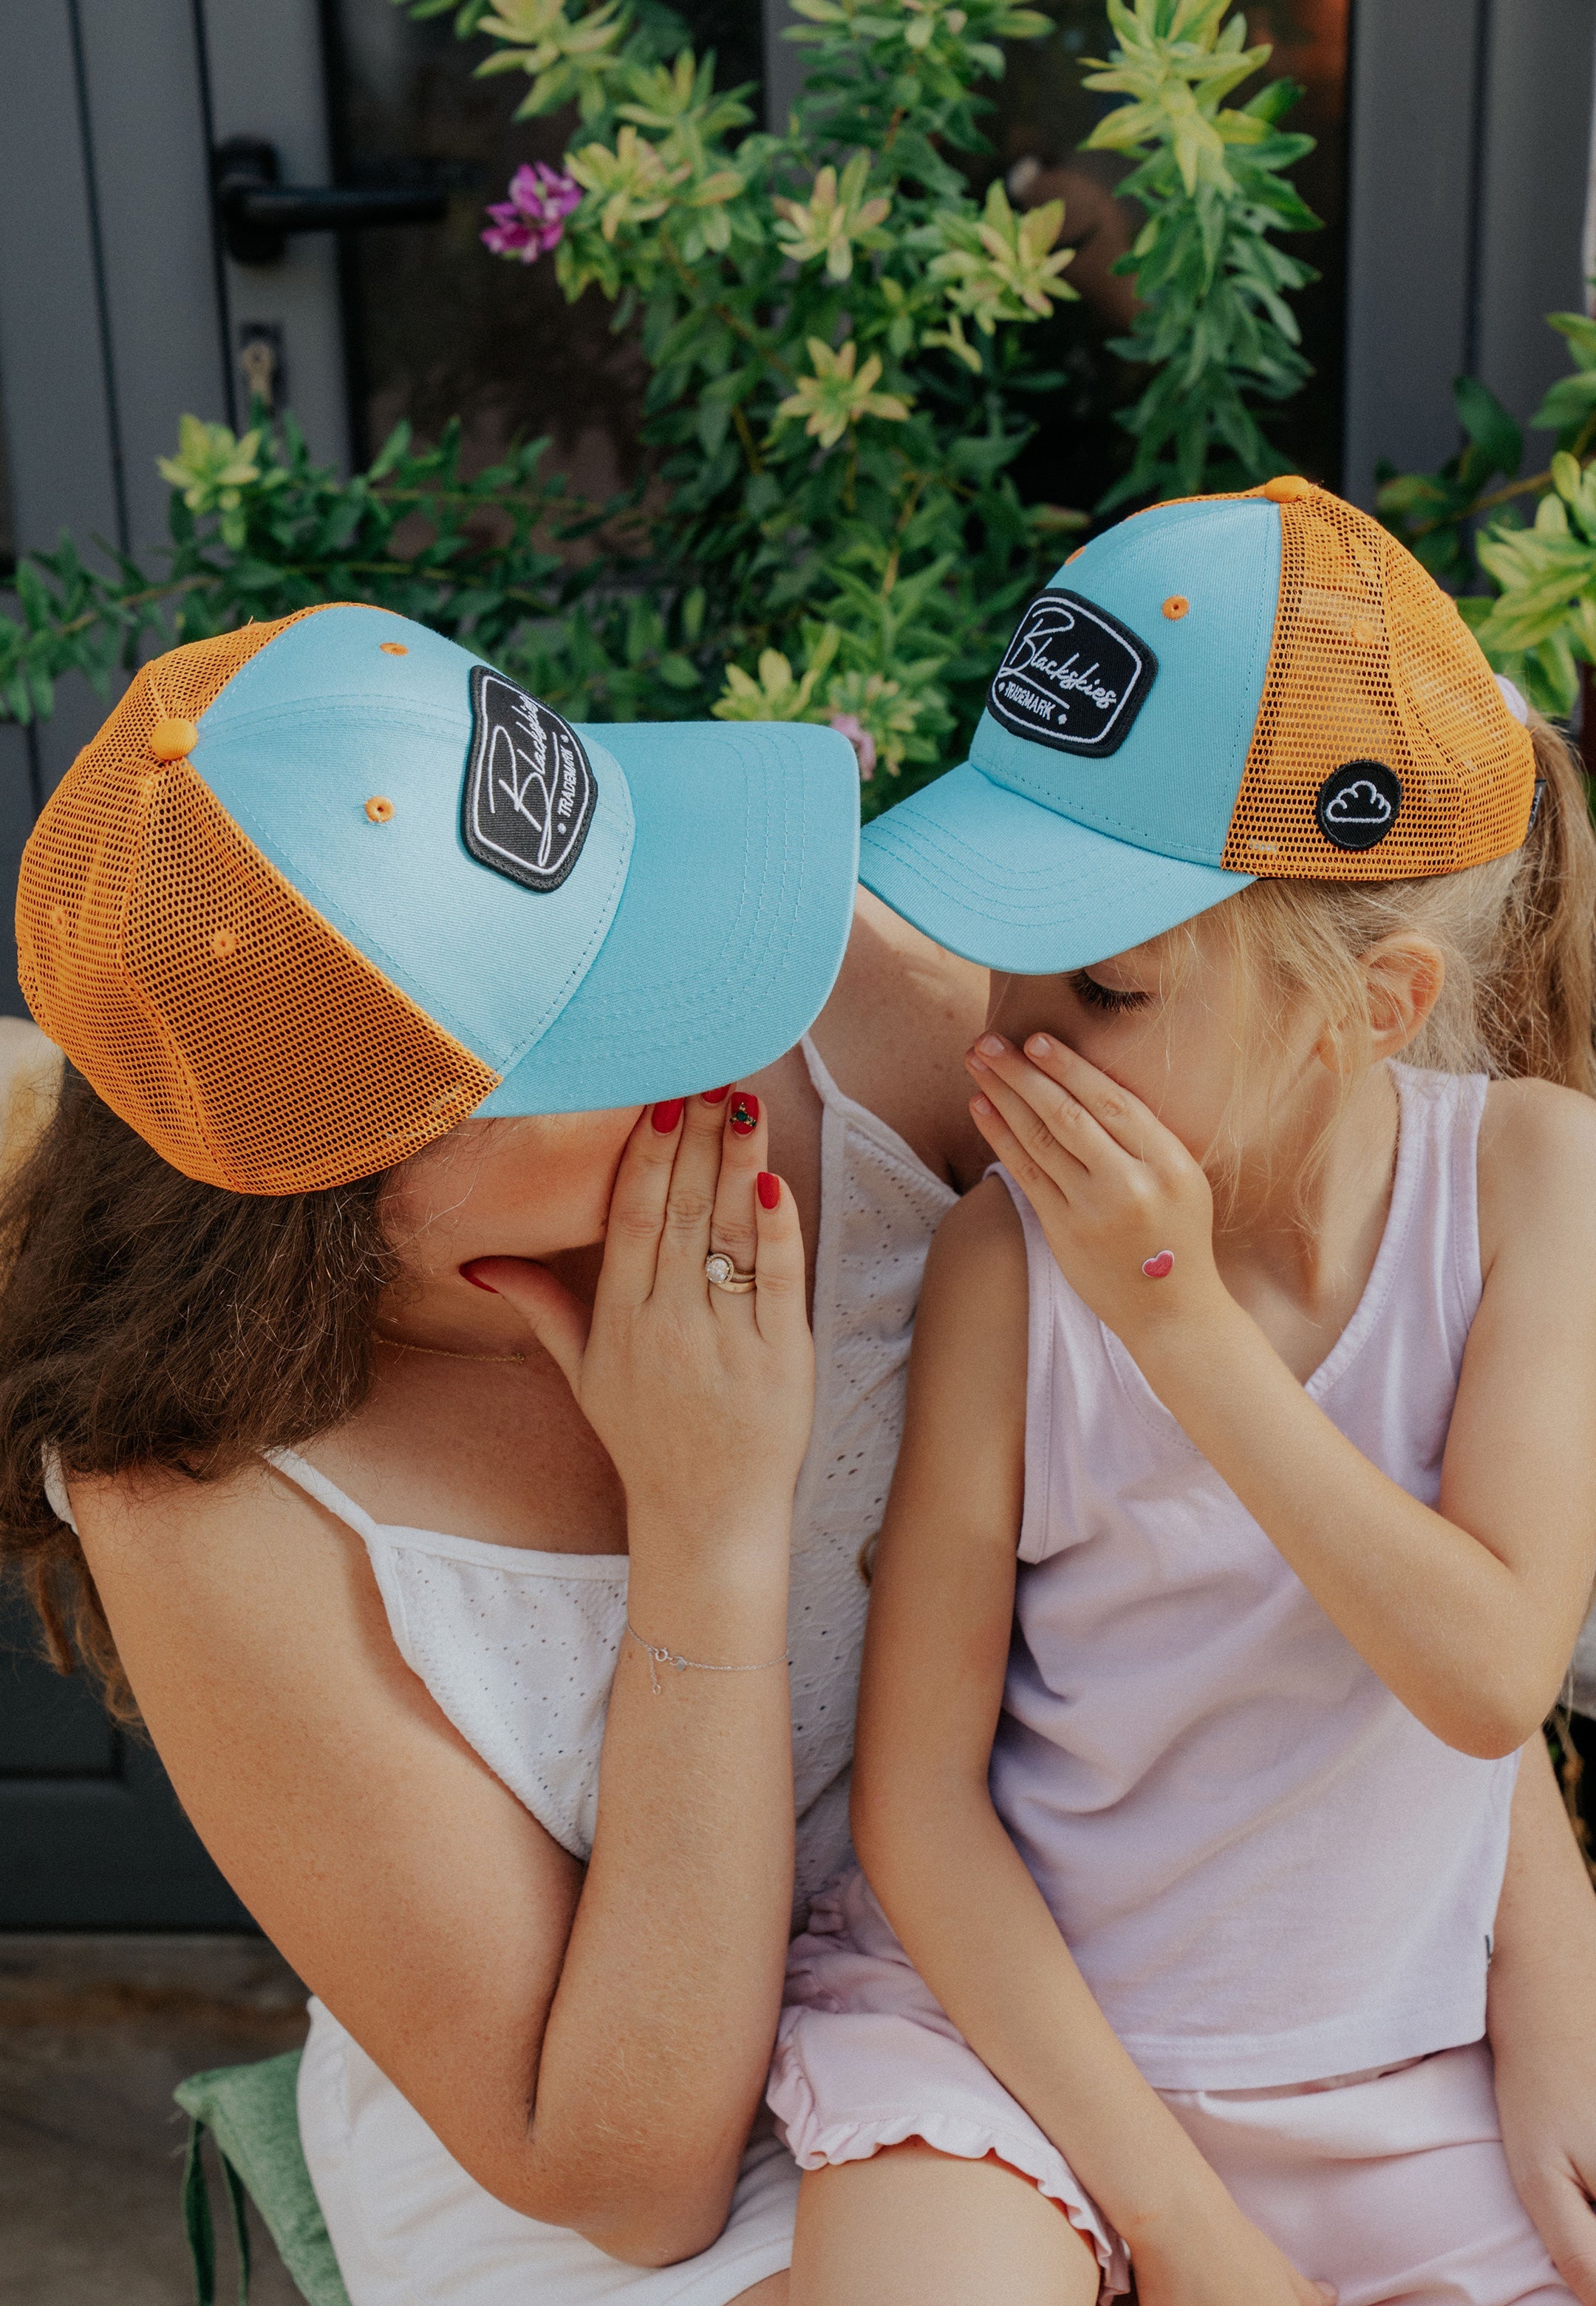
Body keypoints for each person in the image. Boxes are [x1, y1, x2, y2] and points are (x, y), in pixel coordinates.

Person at [0, 581, 1591, 2306]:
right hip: (652, 2139)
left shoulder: (869, 1026)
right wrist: (708, 1536)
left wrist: (1552, 1967)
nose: (734, 1003)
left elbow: (1311, 1483)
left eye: (652, 911)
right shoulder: (204, 1504)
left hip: (1107, 1956)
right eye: (623, 1016)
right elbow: (633, 2183)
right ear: (375, 1187)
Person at [769, 478, 1596, 2306]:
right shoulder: (1007, 1269)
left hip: (1399, 2072)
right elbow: (919, 1808)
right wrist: (1191, 2237)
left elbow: (1484, 1676)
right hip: (1010, 2054)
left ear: (1370, 1010)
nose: (1007, 1038)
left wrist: (1179, 1324)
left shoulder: (1537, 1187)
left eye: (1110, 988)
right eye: (1001, 949)